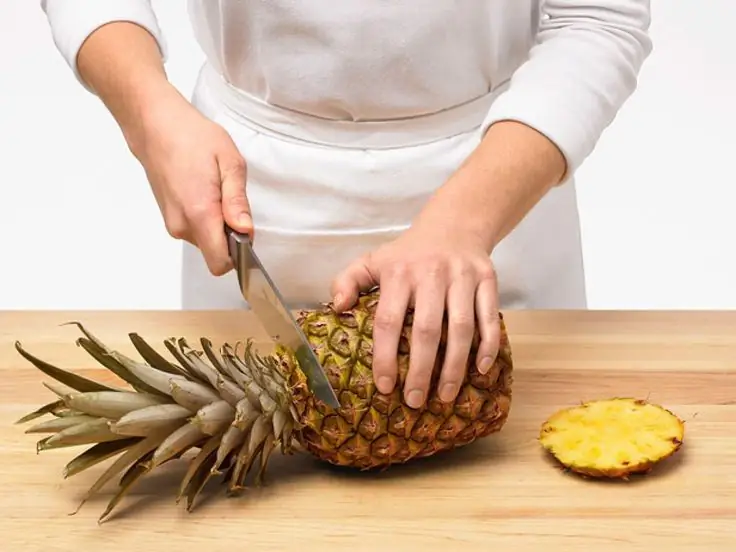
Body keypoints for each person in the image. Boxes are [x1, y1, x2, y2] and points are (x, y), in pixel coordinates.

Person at [40, 1, 652, 409]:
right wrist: (149, 112)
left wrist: (465, 222)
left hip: (496, 190)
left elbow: (599, 16)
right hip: (254, 196)